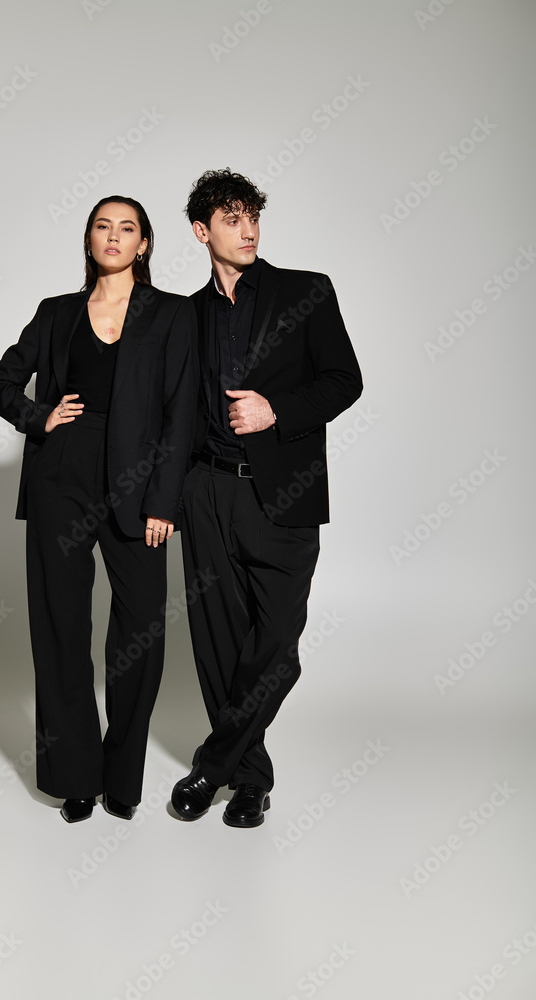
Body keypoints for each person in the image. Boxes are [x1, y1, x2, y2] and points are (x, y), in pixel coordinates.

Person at [0, 196, 197, 823]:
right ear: (89, 239)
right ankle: (75, 775)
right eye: (103, 226)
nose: (113, 236)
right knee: (60, 627)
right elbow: (0, 380)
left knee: (141, 628)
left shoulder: (172, 314)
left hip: (139, 485)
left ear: (144, 244)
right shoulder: (57, 312)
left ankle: (122, 776)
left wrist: (163, 500)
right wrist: (39, 416)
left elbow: (182, 412)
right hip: (62, 479)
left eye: (127, 228)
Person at [170, 169, 363, 828]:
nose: (248, 230)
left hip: (283, 496)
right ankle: (250, 782)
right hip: (206, 492)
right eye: (232, 219)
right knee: (218, 643)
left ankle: (212, 765)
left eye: (252, 216)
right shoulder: (185, 315)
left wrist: (275, 410)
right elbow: (171, 411)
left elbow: (344, 380)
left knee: (276, 644)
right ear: (202, 232)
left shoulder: (306, 291)